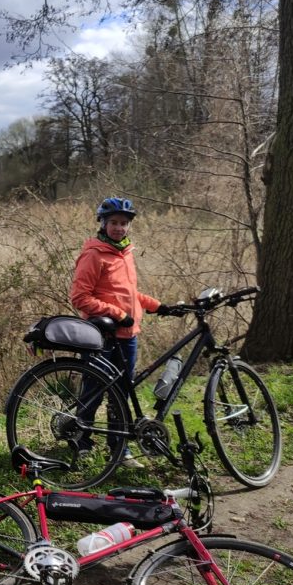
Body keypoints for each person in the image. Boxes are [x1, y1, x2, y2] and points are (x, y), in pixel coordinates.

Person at [70, 197, 172, 469]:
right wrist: (117, 314)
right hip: (102, 336)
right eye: (114, 222)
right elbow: (80, 297)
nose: (119, 228)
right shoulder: (94, 254)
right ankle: (82, 444)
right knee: (94, 390)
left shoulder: (124, 253)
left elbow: (127, 294)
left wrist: (157, 306)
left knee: (122, 393)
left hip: (128, 336)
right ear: (103, 223)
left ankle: (119, 448)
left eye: (124, 223)